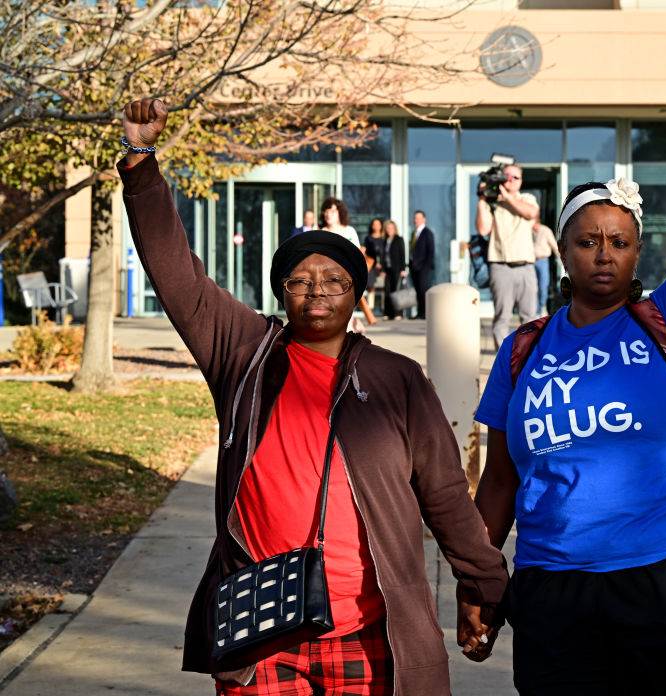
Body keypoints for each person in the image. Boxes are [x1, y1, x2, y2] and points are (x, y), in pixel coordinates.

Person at [117, 98, 508, 695]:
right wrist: (143, 164)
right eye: (300, 280)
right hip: (262, 628)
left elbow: (447, 495)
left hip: (367, 632)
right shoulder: (244, 352)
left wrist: (483, 586)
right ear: (281, 291)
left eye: (334, 281)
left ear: (356, 294)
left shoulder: (396, 377)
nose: (316, 291)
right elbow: (177, 276)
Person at [472, 54, 666, 694]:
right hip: (551, 582)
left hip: (664, 575)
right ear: (561, 251)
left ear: (636, 251)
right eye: (588, 241)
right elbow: (500, 480)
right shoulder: (523, 350)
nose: (604, 255)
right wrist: (478, 583)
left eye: (619, 242)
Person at [475, 163, 540, 348]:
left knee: (530, 318)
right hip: (500, 265)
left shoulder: (527, 198)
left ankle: (528, 358)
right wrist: (482, 199)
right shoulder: (493, 202)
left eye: (515, 177)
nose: (510, 180)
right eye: (507, 176)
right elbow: (483, 229)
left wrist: (508, 198)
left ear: (521, 181)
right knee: (502, 317)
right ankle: (503, 361)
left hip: (525, 266)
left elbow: (531, 213)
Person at [321, 197, 377, 330]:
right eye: (326, 211)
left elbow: (357, 255)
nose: (329, 215)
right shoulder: (321, 232)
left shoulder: (349, 231)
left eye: (333, 211)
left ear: (340, 213)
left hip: (346, 280)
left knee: (345, 314)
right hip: (326, 280)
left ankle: (350, 333)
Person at [408, 210, 435, 320]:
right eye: (415, 218)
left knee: (423, 290)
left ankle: (425, 313)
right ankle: (420, 313)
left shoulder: (427, 233)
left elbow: (431, 250)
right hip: (414, 267)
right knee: (418, 291)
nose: (416, 220)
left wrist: (427, 266)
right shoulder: (414, 233)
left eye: (418, 218)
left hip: (423, 267)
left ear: (424, 219)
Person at [380, 219, 408, 320]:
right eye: (387, 228)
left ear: (395, 229)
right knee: (388, 291)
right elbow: (383, 256)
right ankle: (388, 313)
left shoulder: (399, 239)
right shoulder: (385, 241)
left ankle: (398, 314)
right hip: (387, 269)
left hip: (397, 269)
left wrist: (403, 269)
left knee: (397, 292)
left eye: (391, 228)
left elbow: (403, 255)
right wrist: (382, 269)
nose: (389, 230)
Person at [532, 216, 558, 314]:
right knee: (533, 288)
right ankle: (535, 310)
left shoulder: (545, 231)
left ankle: (542, 307)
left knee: (543, 286)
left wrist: (563, 259)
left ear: (536, 222)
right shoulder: (529, 231)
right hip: (531, 261)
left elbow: (554, 245)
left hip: (543, 261)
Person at [364, 218, 386, 313]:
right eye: (374, 224)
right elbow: (367, 252)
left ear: (381, 226)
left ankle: (384, 309)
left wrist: (382, 265)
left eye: (378, 224)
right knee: (371, 286)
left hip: (383, 266)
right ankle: (370, 309)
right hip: (372, 265)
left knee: (383, 286)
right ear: (372, 226)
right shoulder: (368, 238)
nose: (376, 226)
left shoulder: (384, 238)